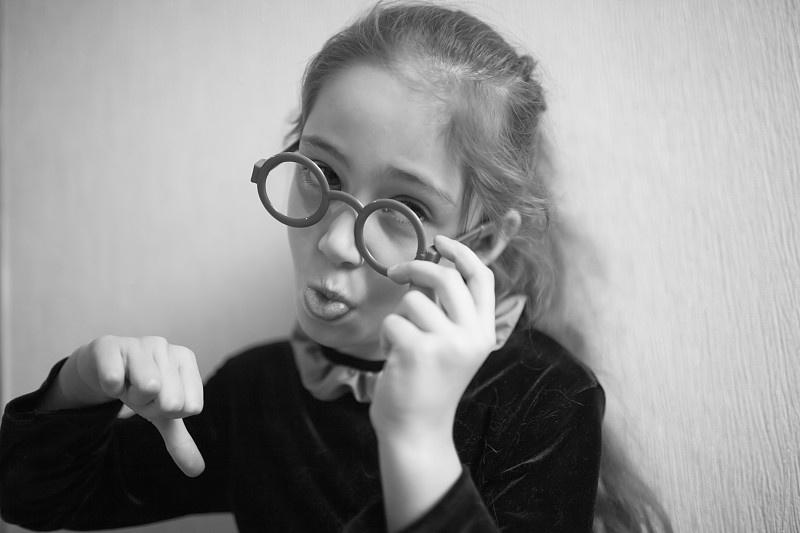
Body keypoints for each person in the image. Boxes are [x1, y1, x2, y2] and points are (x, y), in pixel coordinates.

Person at [0, 2, 671, 532]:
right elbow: (34, 498)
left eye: (407, 207)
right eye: (321, 173)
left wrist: (416, 439)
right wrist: (81, 384)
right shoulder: (257, 392)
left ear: (486, 241)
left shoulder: (545, 398)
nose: (337, 242)